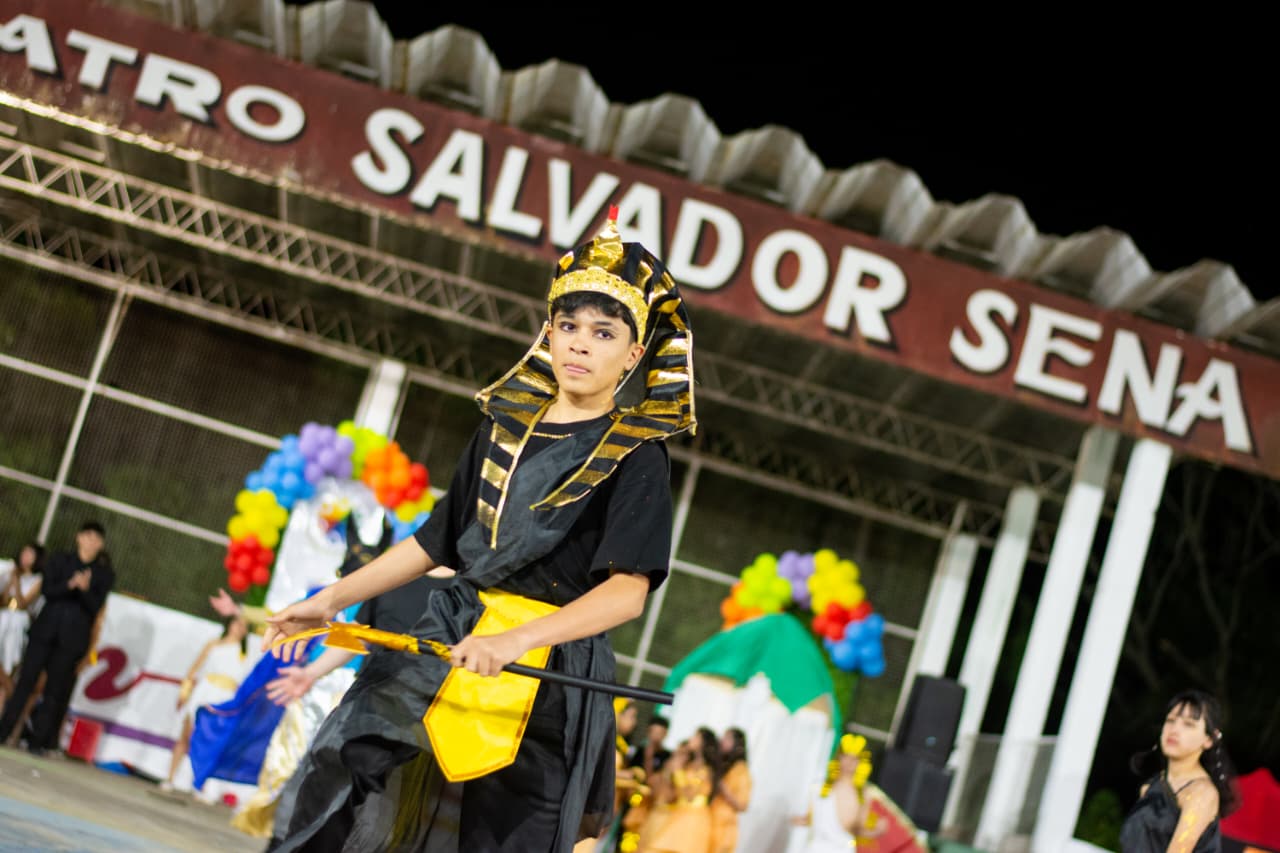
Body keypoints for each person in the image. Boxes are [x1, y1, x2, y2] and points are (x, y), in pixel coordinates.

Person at [262, 209, 697, 853]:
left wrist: (517, 640)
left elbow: (627, 594)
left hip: (548, 674)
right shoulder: (502, 427)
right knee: (342, 770)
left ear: (634, 355)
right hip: (454, 629)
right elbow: (433, 542)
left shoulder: (638, 454)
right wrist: (329, 601)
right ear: (548, 333)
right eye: (568, 326)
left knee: (505, 840)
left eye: (603, 333)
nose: (579, 344)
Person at [0, 521, 114, 756]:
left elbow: (96, 607)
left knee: (54, 691)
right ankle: (4, 731)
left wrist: (84, 589)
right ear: (79, 537)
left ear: (101, 544)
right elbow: (48, 591)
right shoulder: (61, 560)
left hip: (72, 640)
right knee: (25, 681)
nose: (91, 542)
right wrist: (70, 584)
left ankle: (37, 741)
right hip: (45, 631)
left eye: (96, 538)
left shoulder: (104, 574)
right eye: (88, 536)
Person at [1120, 690, 1239, 853]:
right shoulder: (1151, 786)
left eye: (1188, 724)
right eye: (1170, 720)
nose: (1174, 729)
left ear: (1209, 739)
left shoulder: (1201, 794)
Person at [161, 614, 249, 791]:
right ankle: (170, 778)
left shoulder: (244, 652)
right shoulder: (214, 644)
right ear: (230, 624)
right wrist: (185, 692)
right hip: (204, 691)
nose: (240, 628)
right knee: (186, 735)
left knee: (213, 742)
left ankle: (200, 786)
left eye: (244, 626)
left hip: (225, 697)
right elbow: (194, 669)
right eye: (237, 623)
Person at [793, 736, 883, 853]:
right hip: (814, 848)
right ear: (839, 757)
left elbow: (858, 828)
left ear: (861, 762)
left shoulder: (863, 793)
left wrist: (877, 831)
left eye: (854, 759)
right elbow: (811, 820)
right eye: (845, 756)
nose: (849, 763)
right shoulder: (820, 786)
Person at [640, 727, 718, 853]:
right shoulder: (689, 764)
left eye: (696, 736)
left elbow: (689, 796)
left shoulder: (705, 770)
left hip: (692, 818)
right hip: (678, 813)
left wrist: (677, 771)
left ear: (703, 743)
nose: (691, 739)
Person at [0, 543, 45, 684]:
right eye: (24, 553)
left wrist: (16, 582)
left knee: (9, 658)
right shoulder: (11, 572)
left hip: (19, 622)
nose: (25, 557)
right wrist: (11, 579)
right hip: (4, 616)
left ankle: (8, 690)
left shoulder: (38, 579)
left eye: (30, 554)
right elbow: (3, 600)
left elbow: (23, 604)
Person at [710, 728, 751, 853]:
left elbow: (742, 806)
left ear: (738, 745)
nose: (722, 741)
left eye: (727, 738)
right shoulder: (715, 764)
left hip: (723, 827)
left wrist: (722, 787)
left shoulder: (741, 770)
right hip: (707, 821)